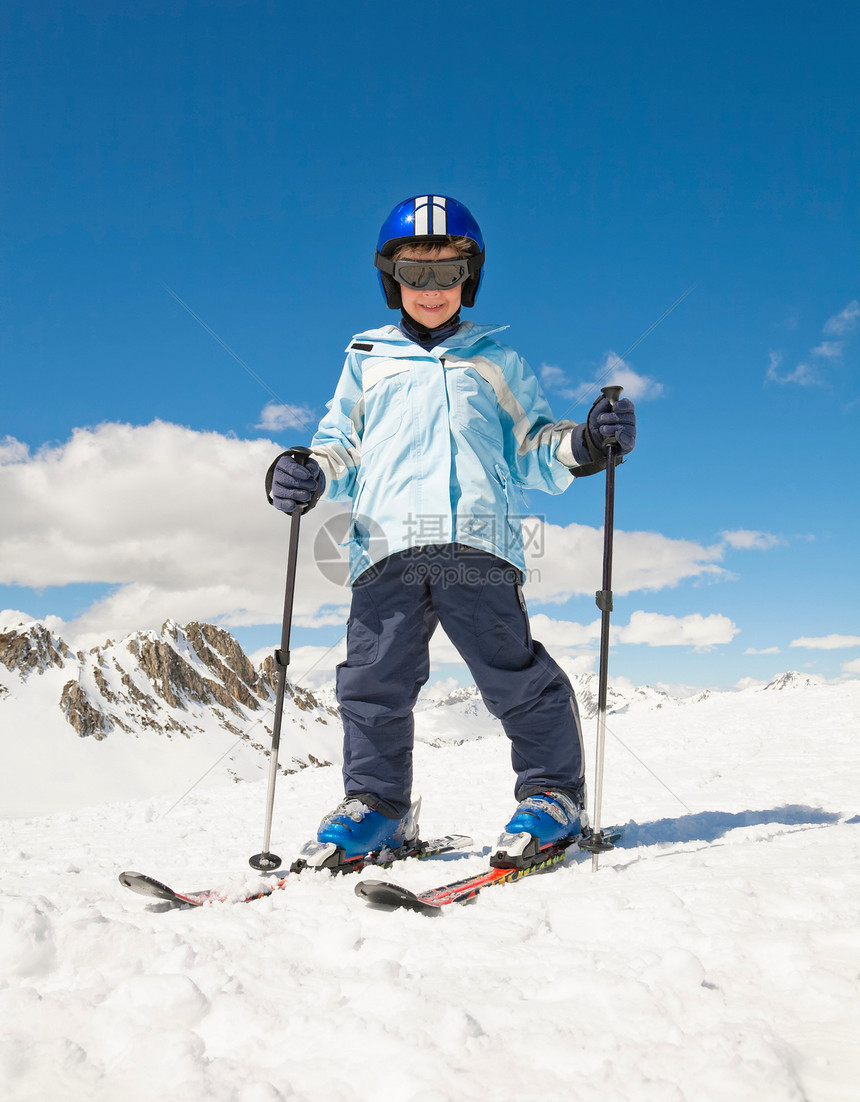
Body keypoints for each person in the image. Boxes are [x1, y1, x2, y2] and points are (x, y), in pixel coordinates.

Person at [267, 195, 636, 868]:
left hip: (476, 544)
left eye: (449, 272)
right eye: (416, 272)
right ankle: (377, 809)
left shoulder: (496, 361)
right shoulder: (366, 360)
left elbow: (534, 445)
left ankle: (553, 795)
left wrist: (586, 442)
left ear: (471, 277)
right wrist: (306, 471)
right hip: (384, 548)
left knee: (510, 672)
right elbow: (339, 445)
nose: (431, 289)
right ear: (391, 278)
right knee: (372, 681)